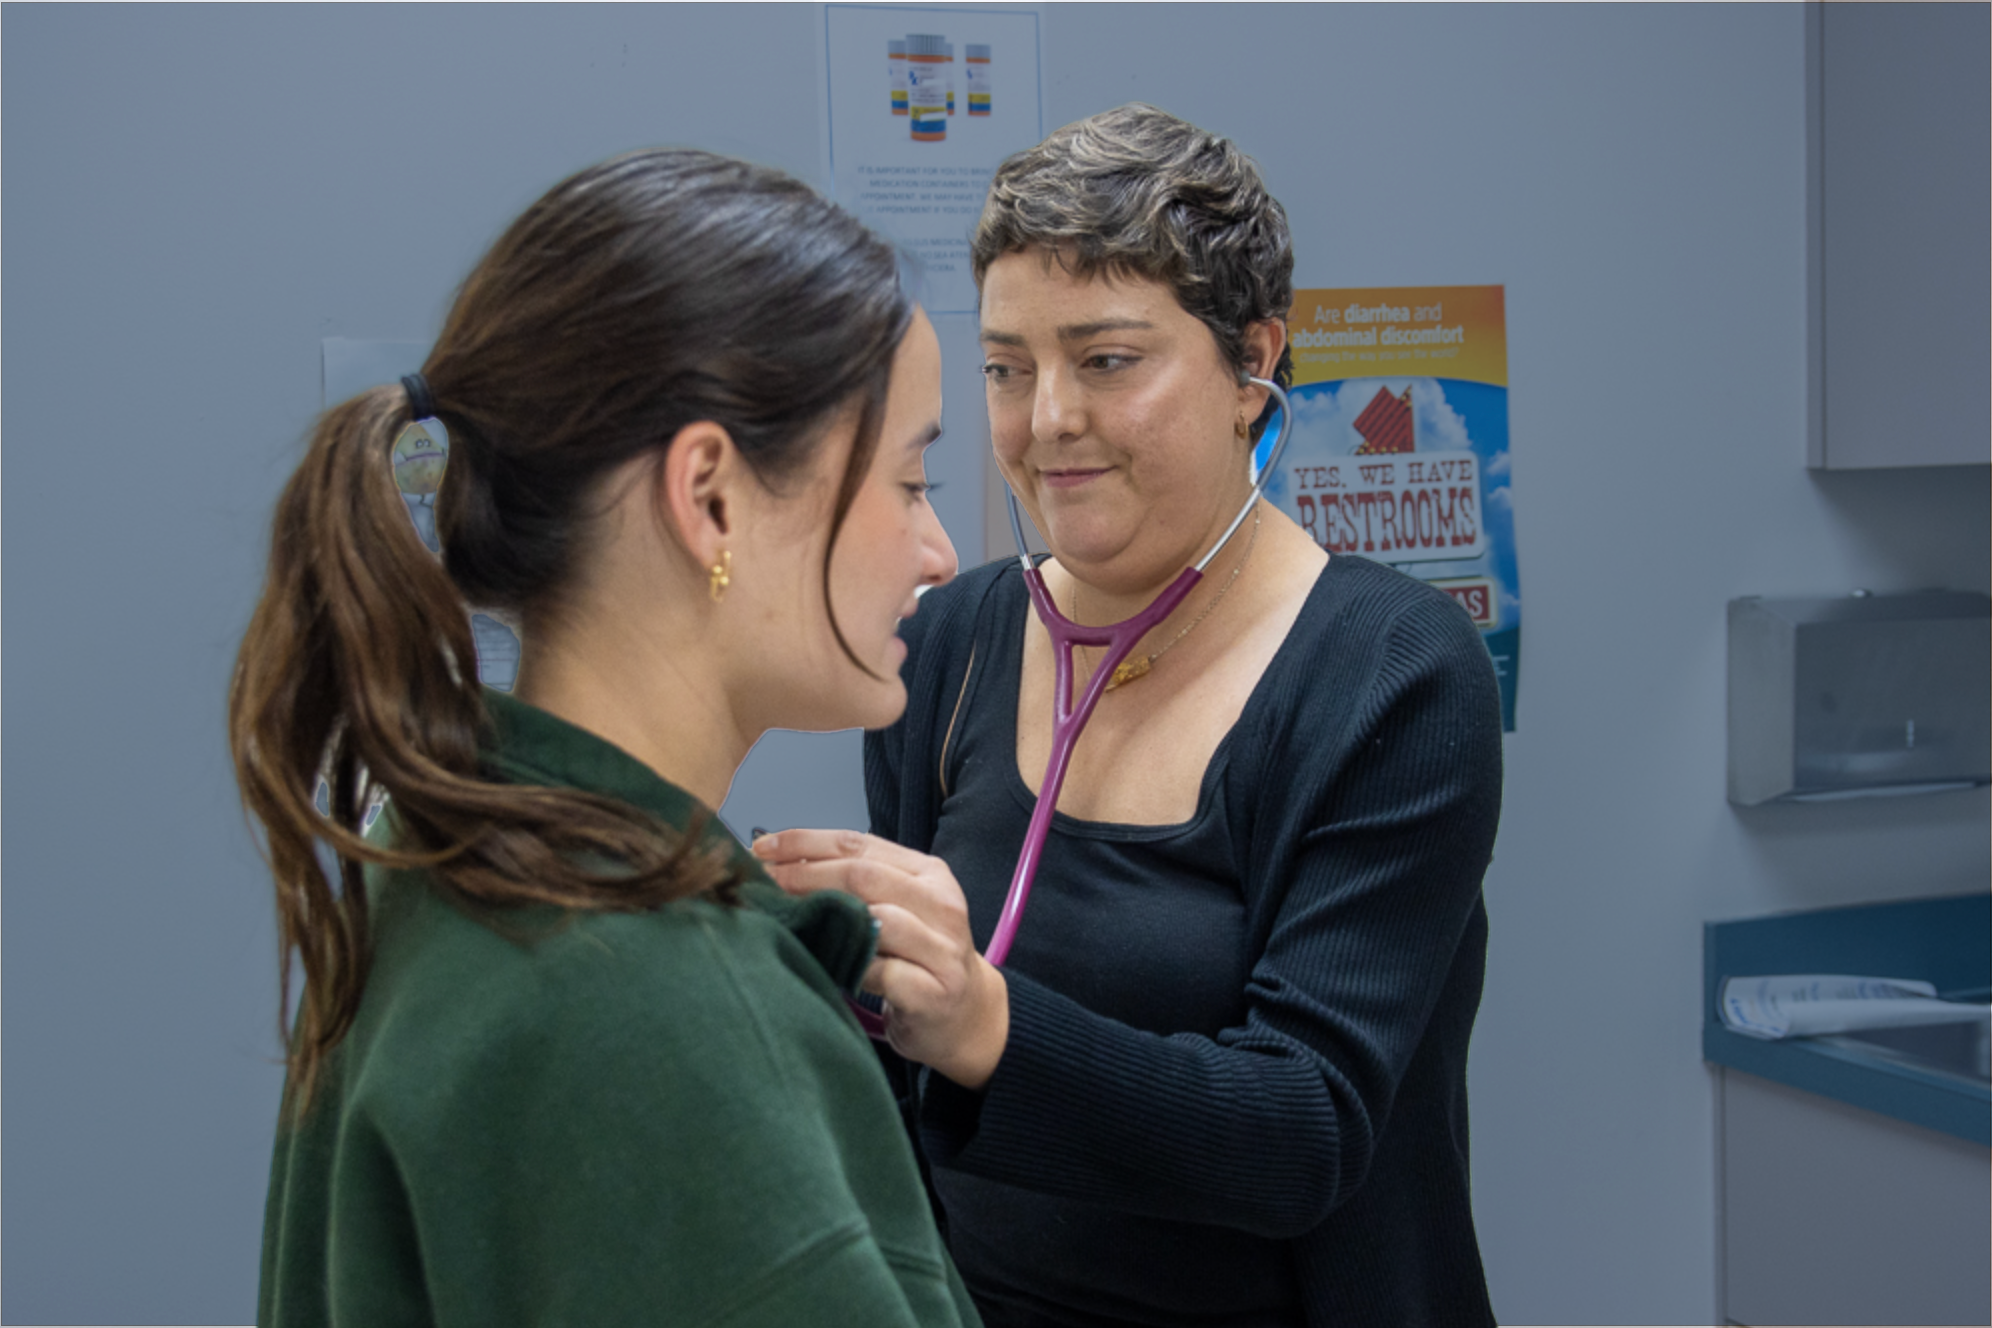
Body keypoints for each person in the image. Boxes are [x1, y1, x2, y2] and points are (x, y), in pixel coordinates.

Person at [753, 105, 1504, 1326]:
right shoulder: (951, 644)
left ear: (1253, 365)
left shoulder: (1393, 674)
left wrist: (984, 1019)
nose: (1047, 417)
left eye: (1106, 359)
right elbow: (904, 1097)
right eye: (1007, 366)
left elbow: (1306, 1128)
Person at [228, 148, 978, 1327]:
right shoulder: (671, 1023)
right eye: (910, 475)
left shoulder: (436, 848)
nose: (939, 551)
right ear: (711, 495)